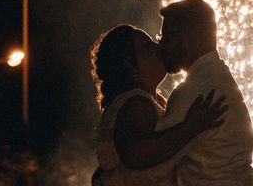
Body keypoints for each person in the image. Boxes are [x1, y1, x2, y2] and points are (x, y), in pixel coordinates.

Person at [90, 24, 228, 186]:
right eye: (147, 44)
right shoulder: (136, 103)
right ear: (128, 62)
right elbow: (134, 154)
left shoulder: (146, 101)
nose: (159, 46)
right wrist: (191, 127)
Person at [157, 0, 253, 186]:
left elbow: (153, 159)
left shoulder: (192, 91)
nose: (162, 45)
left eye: (167, 37)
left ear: (190, 37)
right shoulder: (218, 79)